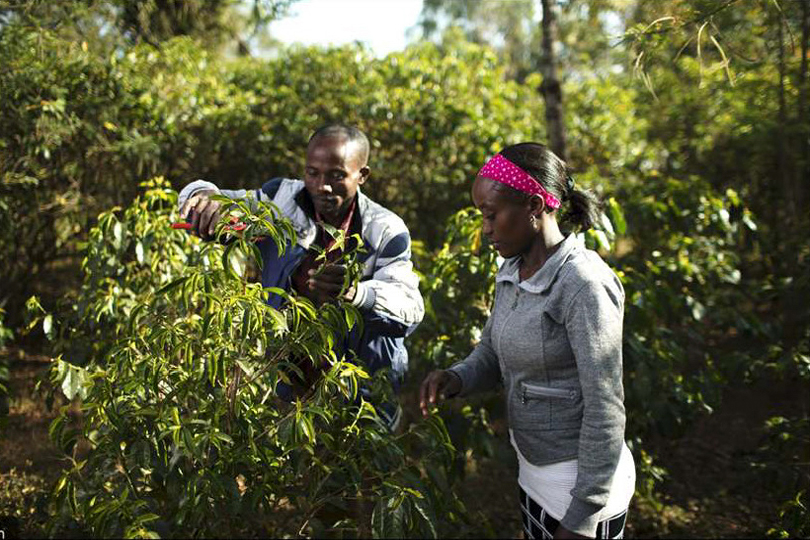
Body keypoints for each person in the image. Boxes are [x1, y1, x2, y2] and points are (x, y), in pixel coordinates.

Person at [419, 143, 635, 539]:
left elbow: (606, 408)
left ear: (535, 206)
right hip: (535, 468)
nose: (485, 229)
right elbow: (492, 349)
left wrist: (584, 514)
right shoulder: (511, 269)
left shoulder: (582, 285)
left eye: (491, 215)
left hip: (581, 485)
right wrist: (457, 377)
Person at [179, 124, 424, 430]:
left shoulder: (385, 229)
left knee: (359, 468)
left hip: (362, 392)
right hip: (291, 379)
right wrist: (203, 197)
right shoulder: (280, 199)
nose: (322, 186)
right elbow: (213, 201)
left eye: (336, 175)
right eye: (312, 173)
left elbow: (411, 308)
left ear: (362, 175)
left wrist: (356, 293)